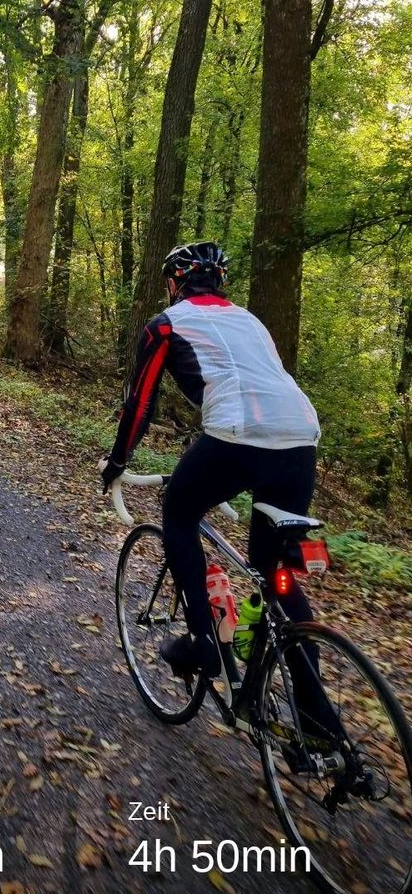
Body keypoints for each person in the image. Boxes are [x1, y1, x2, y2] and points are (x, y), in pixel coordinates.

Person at [100, 241, 321, 680]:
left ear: (173, 284)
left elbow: (140, 405)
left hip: (236, 436)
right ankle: (315, 709)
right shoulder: (251, 321)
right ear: (221, 282)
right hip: (302, 435)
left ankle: (202, 641)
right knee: (273, 569)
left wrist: (117, 462)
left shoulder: (166, 324)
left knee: (179, 512)